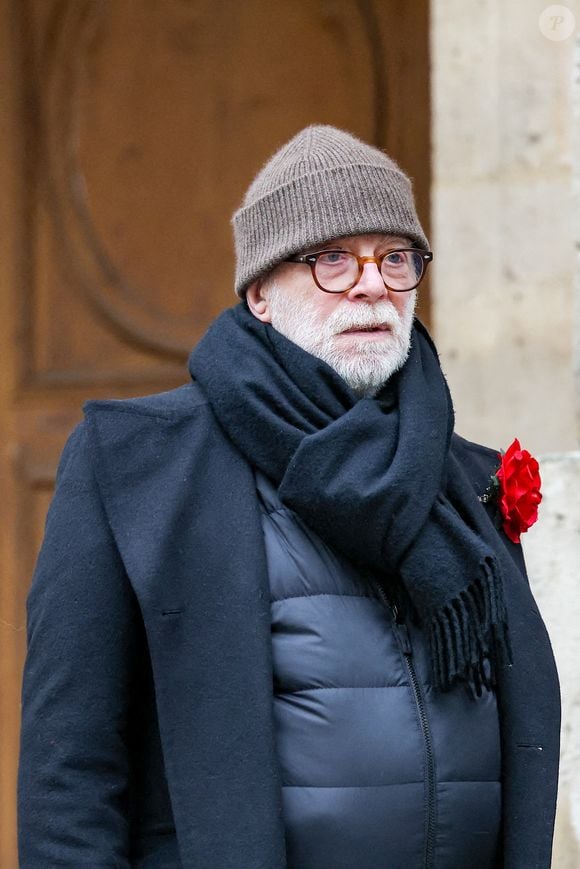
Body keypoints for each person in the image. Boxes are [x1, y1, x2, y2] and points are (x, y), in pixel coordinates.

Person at [18, 125, 560, 869]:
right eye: (333, 257)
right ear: (260, 293)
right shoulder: (136, 463)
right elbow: (68, 768)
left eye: (396, 258)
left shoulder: (466, 479)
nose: (373, 283)